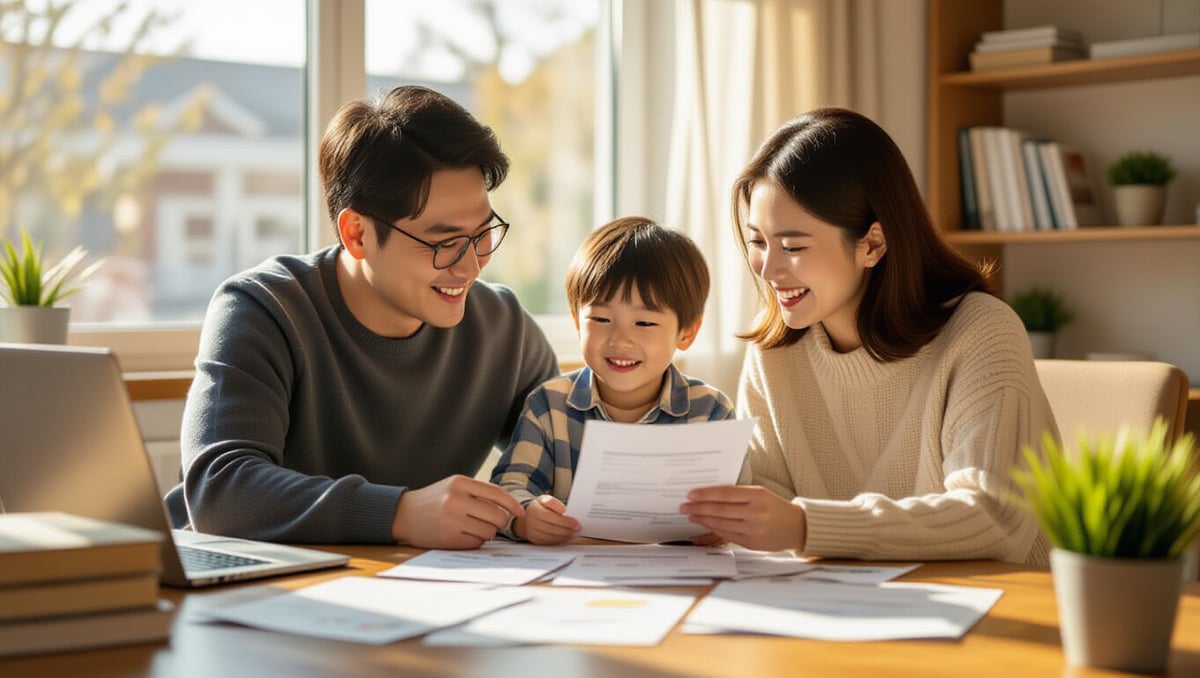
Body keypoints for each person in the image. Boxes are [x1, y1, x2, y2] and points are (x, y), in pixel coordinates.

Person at [174, 85, 559, 549]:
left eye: (482, 234)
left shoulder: (503, 328)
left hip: (406, 589)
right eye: (443, 243)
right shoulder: (262, 310)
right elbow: (220, 494)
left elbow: (570, 457)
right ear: (356, 233)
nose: (471, 265)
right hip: (244, 591)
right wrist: (400, 514)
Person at [680, 108, 1057, 565]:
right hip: (846, 609)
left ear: (873, 244)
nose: (769, 269)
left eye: (794, 246)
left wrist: (805, 527)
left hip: (1000, 610)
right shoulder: (776, 352)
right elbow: (768, 494)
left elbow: (995, 517)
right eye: (758, 241)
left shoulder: (981, 333)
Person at [491, 217, 735, 544]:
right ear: (578, 321)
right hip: (573, 578)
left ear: (687, 332)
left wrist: (719, 528)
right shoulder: (549, 404)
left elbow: (734, 507)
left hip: (676, 580)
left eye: (645, 323)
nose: (620, 339)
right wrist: (527, 517)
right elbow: (509, 488)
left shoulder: (710, 411)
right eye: (602, 319)